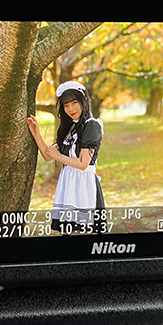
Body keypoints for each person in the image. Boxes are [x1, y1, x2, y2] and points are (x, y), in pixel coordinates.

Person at [27, 81, 106, 234]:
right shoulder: (70, 128)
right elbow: (48, 155)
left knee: (82, 232)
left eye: (74, 103)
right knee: (68, 233)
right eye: (66, 105)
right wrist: (36, 133)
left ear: (84, 101)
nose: (71, 109)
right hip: (68, 184)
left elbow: (83, 163)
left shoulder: (92, 126)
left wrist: (59, 156)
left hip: (84, 186)